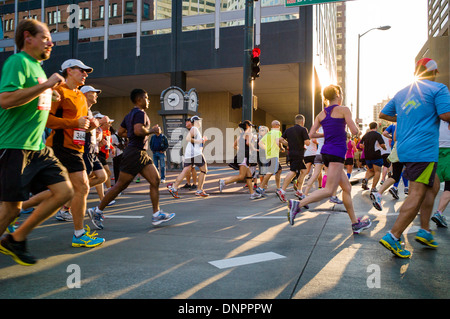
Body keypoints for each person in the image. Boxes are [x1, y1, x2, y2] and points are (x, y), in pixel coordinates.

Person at [0, 19, 74, 265]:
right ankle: (13, 239)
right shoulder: (18, 61)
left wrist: (47, 91)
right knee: (12, 209)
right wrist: (47, 85)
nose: (50, 43)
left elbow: (33, 98)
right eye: (45, 38)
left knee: (65, 191)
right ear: (28, 37)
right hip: (14, 146)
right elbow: (6, 100)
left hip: (37, 148)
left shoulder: (38, 68)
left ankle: (15, 239)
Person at [378, 58, 450, 258]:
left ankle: (425, 230)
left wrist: (405, 117)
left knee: (433, 185)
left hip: (406, 149)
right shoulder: (439, 88)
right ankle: (394, 235)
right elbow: (445, 114)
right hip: (424, 150)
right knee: (417, 192)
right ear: (434, 72)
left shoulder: (403, 92)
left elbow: (384, 113)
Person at [287, 84, 371, 235]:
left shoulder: (321, 114)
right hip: (336, 153)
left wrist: (325, 135)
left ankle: (355, 223)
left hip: (325, 152)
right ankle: (298, 204)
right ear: (338, 94)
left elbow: (311, 134)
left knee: (347, 188)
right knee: (329, 190)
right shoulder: (344, 109)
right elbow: (354, 130)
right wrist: (357, 130)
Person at [87, 89, 175, 228]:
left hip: (139, 153)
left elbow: (121, 132)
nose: (148, 101)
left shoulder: (129, 115)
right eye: (146, 98)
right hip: (135, 153)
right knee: (120, 185)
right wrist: (153, 130)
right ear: (139, 99)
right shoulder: (140, 113)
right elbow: (139, 131)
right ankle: (97, 211)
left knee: (155, 180)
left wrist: (134, 135)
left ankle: (156, 214)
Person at [46, 59, 105, 248]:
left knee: (63, 192)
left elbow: (83, 123)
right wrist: (75, 124)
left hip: (77, 149)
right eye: (82, 71)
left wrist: (92, 125)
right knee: (82, 187)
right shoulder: (58, 92)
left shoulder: (80, 96)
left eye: (87, 71)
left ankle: (15, 211)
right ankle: (79, 235)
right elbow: (46, 120)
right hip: (60, 146)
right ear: (69, 71)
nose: (86, 74)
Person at [168, 116, 209, 198]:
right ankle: (199, 190)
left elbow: (195, 142)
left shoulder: (194, 129)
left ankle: (174, 188)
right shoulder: (194, 129)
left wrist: (202, 141)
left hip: (189, 154)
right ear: (195, 121)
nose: (200, 122)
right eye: (199, 121)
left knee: (185, 171)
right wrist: (200, 140)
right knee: (204, 170)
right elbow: (188, 138)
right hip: (195, 154)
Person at [218, 120, 261, 199]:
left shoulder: (241, 135)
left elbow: (234, 145)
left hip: (241, 156)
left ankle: (252, 194)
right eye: (251, 126)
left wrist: (241, 150)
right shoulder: (249, 134)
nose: (252, 128)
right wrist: (254, 149)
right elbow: (248, 143)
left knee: (249, 176)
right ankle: (224, 182)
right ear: (248, 126)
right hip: (244, 157)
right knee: (241, 176)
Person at [276, 114, 310, 202]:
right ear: (302, 122)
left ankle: (299, 190)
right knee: (293, 172)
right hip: (298, 154)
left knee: (304, 171)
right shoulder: (303, 129)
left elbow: (280, 139)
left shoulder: (289, 130)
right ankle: (282, 191)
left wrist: (288, 144)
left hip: (291, 154)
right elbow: (307, 143)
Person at [256, 120, 284, 196]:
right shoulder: (277, 132)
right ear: (277, 125)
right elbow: (278, 141)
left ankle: (278, 188)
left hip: (269, 155)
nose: (279, 126)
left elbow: (260, 143)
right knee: (271, 171)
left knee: (279, 170)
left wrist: (266, 149)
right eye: (279, 125)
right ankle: (261, 188)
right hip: (274, 155)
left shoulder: (268, 133)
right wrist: (282, 148)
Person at [431, 119, 450, 227]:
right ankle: (439, 213)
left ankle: (419, 207)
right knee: (449, 186)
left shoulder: (437, 110)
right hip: (448, 149)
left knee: (432, 184)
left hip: (436, 149)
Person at [359, 122, 386, 193]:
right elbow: (382, 144)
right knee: (377, 171)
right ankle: (373, 187)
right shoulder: (377, 135)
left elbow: (360, 145)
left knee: (371, 171)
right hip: (376, 155)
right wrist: (385, 148)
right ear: (376, 127)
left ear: (370, 127)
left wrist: (366, 148)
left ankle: (366, 179)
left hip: (367, 156)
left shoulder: (366, 135)